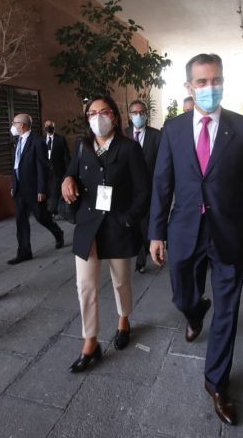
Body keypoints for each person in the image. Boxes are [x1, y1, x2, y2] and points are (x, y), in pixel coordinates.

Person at [149, 53, 243, 426]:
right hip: (184, 231)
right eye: (201, 82)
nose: (209, 88)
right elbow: (162, 183)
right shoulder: (173, 128)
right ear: (189, 87)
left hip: (229, 233)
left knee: (228, 309)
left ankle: (217, 382)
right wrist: (155, 232)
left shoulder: (242, 127)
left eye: (215, 80)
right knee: (182, 294)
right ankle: (194, 310)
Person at [61, 95, 150, 373]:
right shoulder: (82, 146)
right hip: (88, 226)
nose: (97, 117)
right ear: (87, 117)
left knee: (121, 281)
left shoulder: (129, 148)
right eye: (92, 112)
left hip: (117, 225)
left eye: (104, 111)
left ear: (114, 116)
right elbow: (72, 172)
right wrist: (67, 178)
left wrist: (128, 219)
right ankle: (90, 341)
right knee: (85, 285)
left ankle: (124, 320)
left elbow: (143, 190)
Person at [7, 114, 65, 264]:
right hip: (19, 189)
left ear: (23, 125)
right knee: (21, 221)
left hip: (34, 189)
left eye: (14, 123)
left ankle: (58, 232)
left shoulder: (38, 142)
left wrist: (42, 190)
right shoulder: (17, 142)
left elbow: (42, 168)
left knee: (41, 217)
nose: (12, 126)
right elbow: (15, 166)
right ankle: (24, 252)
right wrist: (13, 185)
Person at [125, 99, 161, 273]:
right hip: (129, 190)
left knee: (146, 224)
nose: (139, 115)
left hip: (150, 189)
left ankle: (145, 249)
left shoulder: (157, 136)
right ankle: (140, 257)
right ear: (129, 116)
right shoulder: (123, 135)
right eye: (135, 113)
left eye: (142, 112)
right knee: (136, 223)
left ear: (146, 114)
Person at [43, 119, 71, 216]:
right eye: (47, 126)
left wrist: (69, 170)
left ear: (54, 127)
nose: (49, 127)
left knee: (55, 190)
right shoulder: (41, 140)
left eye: (51, 126)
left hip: (57, 169)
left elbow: (66, 155)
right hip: (45, 170)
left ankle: (52, 211)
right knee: (48, 190)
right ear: (44, 127)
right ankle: (51, 209)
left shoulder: (60, 139)